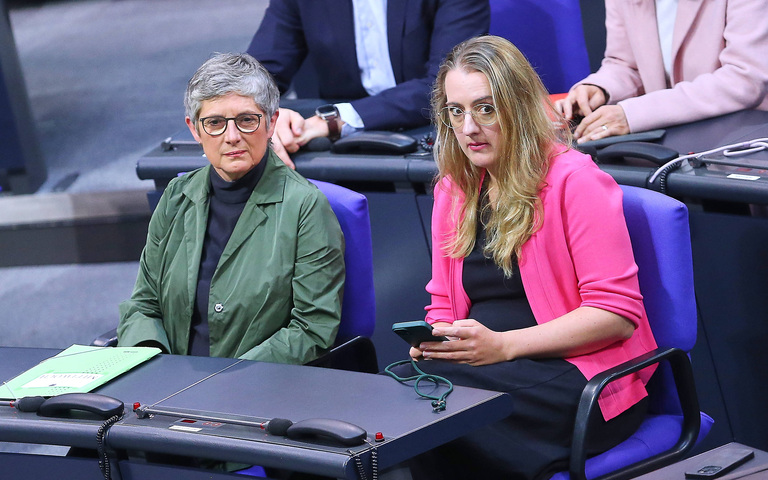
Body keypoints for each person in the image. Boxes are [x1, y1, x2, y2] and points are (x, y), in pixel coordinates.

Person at [398, 35, 658, 479]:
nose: (469, 129)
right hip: (486, 366)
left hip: (578, 376)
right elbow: (442, 300)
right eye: (456, 111)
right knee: (396, 406)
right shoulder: (454, 189)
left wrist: (503, 347)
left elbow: (615, 314)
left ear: (518, 107)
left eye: (486, 108)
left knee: (436, 423)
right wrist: (436, 338)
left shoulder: (575, 181)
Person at [118, 53, 345, 365]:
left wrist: (229, 383)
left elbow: (311, 329)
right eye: (214, 123)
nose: (233, 136)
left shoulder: (305, 207)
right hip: (170, 388)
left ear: (271, 122)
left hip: (254, 391)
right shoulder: (175, 196)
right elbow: (143, 304)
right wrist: (154, 370)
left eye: (247, 120)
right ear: (194, 130)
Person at [246, 0, 490, 167]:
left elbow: (445, 85)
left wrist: (333, 120)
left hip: (438, 141)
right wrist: (267, 118)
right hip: (342, 158)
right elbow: (257, 77)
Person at [555, 0, 768, 144]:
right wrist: (599, 88)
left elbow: (744, 79)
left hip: (739, 142)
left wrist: (634, 114)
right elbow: (624, 64)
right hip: (669, 143)